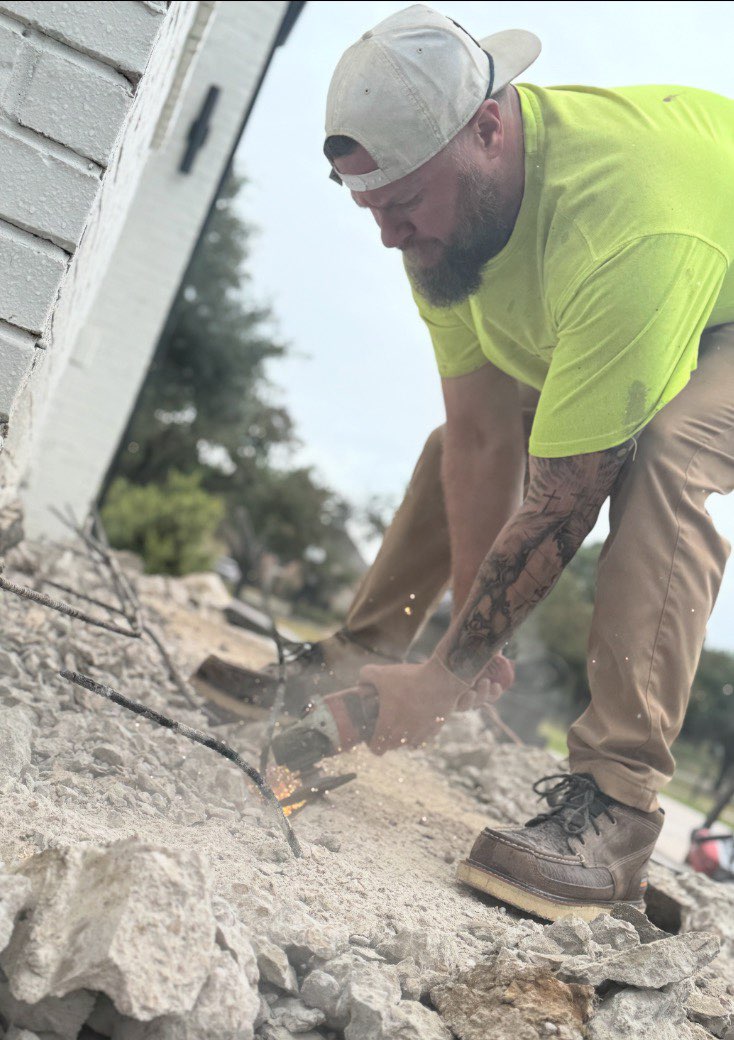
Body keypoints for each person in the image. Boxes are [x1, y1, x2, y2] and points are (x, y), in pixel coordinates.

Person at [248, 4, 734, 920]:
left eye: (402, 204)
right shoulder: (440, 219)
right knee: (470, 439)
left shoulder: (619, 228)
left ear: (487, 128)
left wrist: (445, 678)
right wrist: (475, 648)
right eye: (368, 207)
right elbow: (478, 437)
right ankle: (361, 657)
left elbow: (565, 501)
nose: (388, 235)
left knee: (665, 460)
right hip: (682, 269)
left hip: (702, 277)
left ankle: (618, 809)